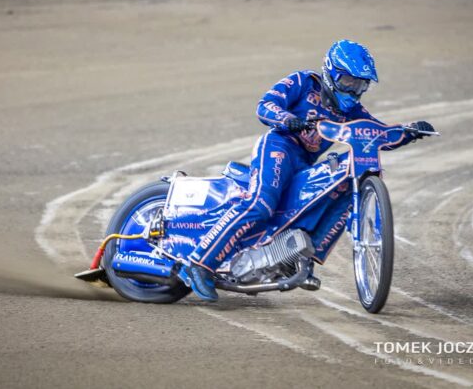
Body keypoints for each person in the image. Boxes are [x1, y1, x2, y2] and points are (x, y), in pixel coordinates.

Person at [178, 39, 435, 301]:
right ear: (331, 73)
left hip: (304, 163)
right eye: (348, 82)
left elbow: (377, 134)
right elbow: (264, 106)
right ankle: (198, 263)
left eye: (360, 84)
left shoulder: (354, 111)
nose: (354, 90)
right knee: (261, 204)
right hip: (278, 147)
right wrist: (290, 120)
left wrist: (410, 132)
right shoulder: (303, 82)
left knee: (334, 192)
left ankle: (297, 258)